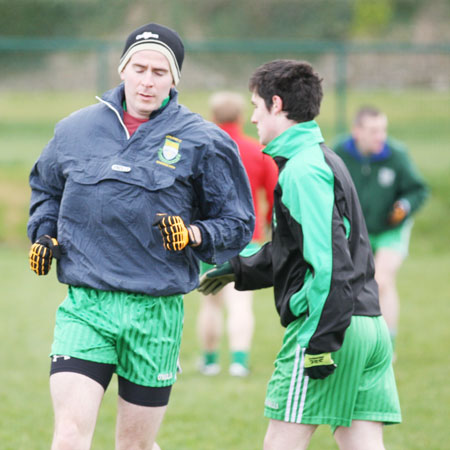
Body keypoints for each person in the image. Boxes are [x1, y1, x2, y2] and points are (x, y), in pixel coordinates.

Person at [27, 22, 254, 450]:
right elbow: (47, 190)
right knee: (70, 436)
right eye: (139, 68)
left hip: (156, 313)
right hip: (86, 306)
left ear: (174, 80)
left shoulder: (204, 140)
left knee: (134, 446)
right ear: (122, 69)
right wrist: (44, 234)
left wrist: (193, 233)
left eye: (159, 72)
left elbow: (238, 222)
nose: (147, 81)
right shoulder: (74, 130)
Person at [199, 60, 401, 450]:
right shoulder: (321, 158)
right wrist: (239, 267)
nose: (253, 117)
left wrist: (320, 341)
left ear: (276, 104)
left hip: (331, 327)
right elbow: (298, 249)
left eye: (256, 106)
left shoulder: (303, 171)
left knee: (280, 442)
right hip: (368, 326)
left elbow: (329, 263)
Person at [333, 106, 428, 351]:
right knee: (351, 284)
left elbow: (418, 189)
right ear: (357, 131)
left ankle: (385, 346)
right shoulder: (339, 152)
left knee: (381, 280)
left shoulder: (396, 155)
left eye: (383, 130)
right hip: (355, 231)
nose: (380, 136)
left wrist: (405, 205)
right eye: (374, 131)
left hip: (390, 230)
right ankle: (356, 343)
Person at [197, 91, 278, 377]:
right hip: (247, 236)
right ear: (242, 117)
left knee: (211, 300)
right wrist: (269, 224)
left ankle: (209, 361)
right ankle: (238, 362)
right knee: (240, 301)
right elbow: (273, 193)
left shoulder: (202, 148)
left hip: (209, 238)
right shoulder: (257, 150)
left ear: (213, 117)